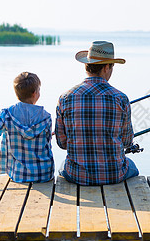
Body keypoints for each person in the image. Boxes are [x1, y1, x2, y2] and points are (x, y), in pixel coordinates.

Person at [55, 41, 139, 185]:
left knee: (63, 165)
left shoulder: (65, 98)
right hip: (114, 175)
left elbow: (62, 143)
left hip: (76, 175)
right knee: (132, 166)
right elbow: (126, 141)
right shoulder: (121, 98)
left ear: (86, 65)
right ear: (107, 67)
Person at [0, 72, 54, 183]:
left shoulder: (6, 115)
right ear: (35, 93)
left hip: (18, 175)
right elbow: (48, 144)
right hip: (44, 174)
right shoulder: (46, 117)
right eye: (39, 90)